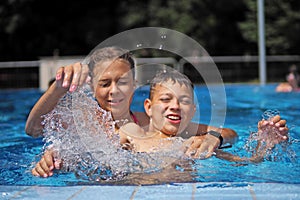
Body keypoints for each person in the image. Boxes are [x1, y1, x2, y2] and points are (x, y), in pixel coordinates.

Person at [28, 46, 237, 177]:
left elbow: (227, 132)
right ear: (92, 88)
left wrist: (213, 139)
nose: (114, 90)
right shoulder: (83, 121)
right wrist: (59, 87)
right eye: (105, 83)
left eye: (122, 82)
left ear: (134, 84)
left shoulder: (149, 121)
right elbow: (34, 129)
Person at [118, 70, 289, 162]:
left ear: (192, 111)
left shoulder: (194, 144)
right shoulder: (132, 135)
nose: (175, 106)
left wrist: (265, 145)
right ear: (148, 107)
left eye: (183, 101)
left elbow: (250, 160)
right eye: (166, 99)